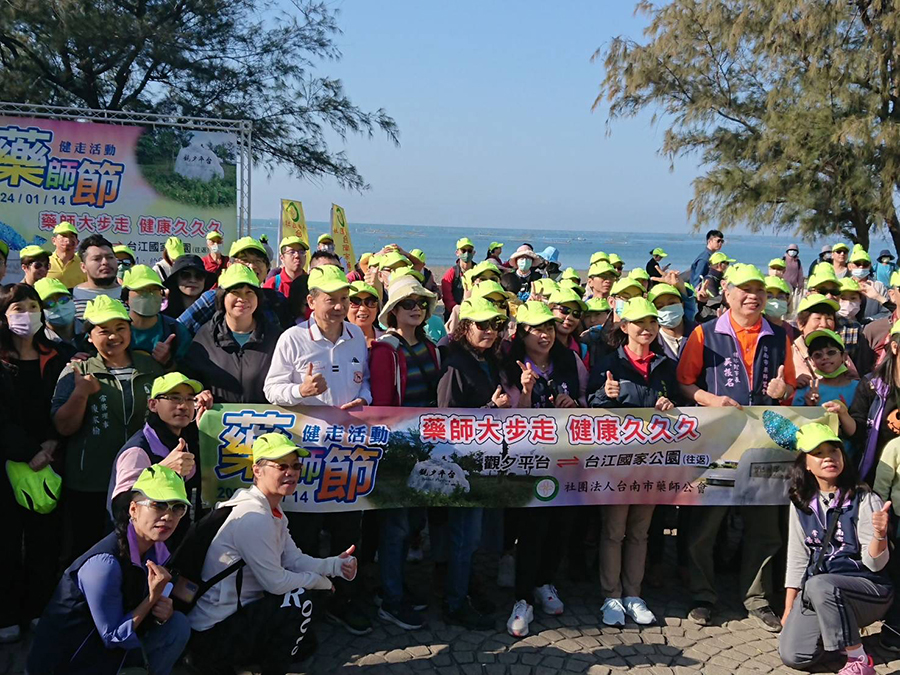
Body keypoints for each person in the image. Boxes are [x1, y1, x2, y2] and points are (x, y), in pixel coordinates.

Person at [676, 263, 796, 630]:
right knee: (705, 524)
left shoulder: (779, 336)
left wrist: (784, 391)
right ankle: (702, 595)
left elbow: (791, 388)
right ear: (727, 294)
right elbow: (684, 383)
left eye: (759, 290)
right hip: (718, 443)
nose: (753, 296)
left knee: (765, 527)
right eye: (745, 289)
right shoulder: (705, 333)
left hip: (764, 443)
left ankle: (757, 598)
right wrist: (710, 400)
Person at [186, 433, 356, 674]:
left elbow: (293, 559)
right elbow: (275, 582)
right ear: (257, 470)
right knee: (299, 599)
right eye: (281, 466)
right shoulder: (255, 517)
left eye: (295, 466)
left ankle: (254, 657)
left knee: (305, 638)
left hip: (232, 618)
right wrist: (320, 582)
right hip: (213, 633)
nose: (291, 472)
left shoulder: (269, 509)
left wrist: (334, 566)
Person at [263, 264, 372, 635]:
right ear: (311, 301)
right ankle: (305, 606)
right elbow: (271, 389)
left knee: (347, 533)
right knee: (304, 536)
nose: (340, 307)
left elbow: (365, 381)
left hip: (348, 454)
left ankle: (344, 601)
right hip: (306, 457)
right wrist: (301, 391)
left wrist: (364, 399)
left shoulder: (356, 335)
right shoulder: (292, 339)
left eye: (344, 299)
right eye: (331, 300)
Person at [28, 465, 192, 675]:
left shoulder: (158, 551)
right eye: (158, 505)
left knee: (176, 625)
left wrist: (160, 613)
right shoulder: (104, 564)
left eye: (177, 508)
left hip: (107, 653)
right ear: (133, 509)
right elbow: (113, 636)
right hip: (68, 664)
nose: (168, 516)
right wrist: (152, 599)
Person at [51, 295, 165, 561]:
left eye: (120, 328)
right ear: (90, 336)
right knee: (88, 548)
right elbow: (63, 426)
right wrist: (81, 393)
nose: (114, 336)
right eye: (104, 331)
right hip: (90, 480)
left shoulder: (151, 368)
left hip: (142, 479)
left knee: (138, 549)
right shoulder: (77, 371)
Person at [590, 297, 679, 628]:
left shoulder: (666, 365)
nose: (647, 328)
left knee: (640, 532)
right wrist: (606, 395)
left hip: (652, 461)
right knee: (614, 530)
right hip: (616, 462)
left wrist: (671, 404)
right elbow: (590, 405)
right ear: (624, 326)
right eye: (639, 322)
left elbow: (680, 404)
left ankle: (633, 594)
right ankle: (610, 595)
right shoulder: (609, 362)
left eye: (652, 322)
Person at [500, 301, 587, 638]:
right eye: (536, 329)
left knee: (561, 524)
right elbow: (508, 419)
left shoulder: (570, 361)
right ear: (522, 334)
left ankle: (544, 582)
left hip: (566, 458)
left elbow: (586, 401)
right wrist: (525, 391)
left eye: (549, 327)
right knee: (531, 528)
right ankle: (522, 598)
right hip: (528, 461)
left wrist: (574, 405)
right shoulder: (510, 367)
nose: (545, 334)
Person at [779, 423, 892, 675]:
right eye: (818, 453)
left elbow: (875, 564)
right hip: (819, 591)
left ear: (843, 457)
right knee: (794, 655)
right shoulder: (800, 502)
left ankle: (858, 660)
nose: (828, 457)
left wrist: (880, 535)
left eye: (834, 451)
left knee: (820, 584)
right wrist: (788, 608)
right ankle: (839, 634)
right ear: (806, 464)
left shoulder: (864, 498)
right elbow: (797, 557)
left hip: (867, 589)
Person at [0, 283, 72, 643]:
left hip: (49, 460)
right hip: (8, 461)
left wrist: (51, 443)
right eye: (17, 308)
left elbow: (64, 404)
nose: (26, 315)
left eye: (32, 307)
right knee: (6, 540)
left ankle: (38, 607)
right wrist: (30, 450)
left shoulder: (58, 355)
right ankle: (6, 613)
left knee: (45, 539)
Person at [367, 276, 440, 630]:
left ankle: (394, 585)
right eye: (407, 303)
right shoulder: (385, 351)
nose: (416, 309)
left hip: (428, 445)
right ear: (393, 311)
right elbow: (383, 405)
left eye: (421, 303)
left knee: (412, 522)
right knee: (396, 525)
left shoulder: (431, 347)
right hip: (398, 447)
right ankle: (391, 598)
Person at [436, 297, 508, 630]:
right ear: (465, 327)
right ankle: (454, 602)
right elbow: (446, 420)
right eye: (482, 325)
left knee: (474, 537)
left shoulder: (488, 359)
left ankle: (466, 590)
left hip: (483, 461)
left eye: (495, 324)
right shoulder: (455, 365)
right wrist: (491, 409)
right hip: (460, 464)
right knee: (463, 537)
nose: (490, 331)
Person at [107, 372, 205, 525]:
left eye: (190, 399)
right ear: (153, 404)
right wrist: (163, 471)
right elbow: (120, 508)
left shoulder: (183, 440)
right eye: (174, 398)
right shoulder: (137, 451)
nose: (184, 406)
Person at [182, 263, 281, 404]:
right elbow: (190, 382)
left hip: (265, 418)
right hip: (219, 418)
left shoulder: (276, 338)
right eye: (235, 292)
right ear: (222, 297)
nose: (242, 299)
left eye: (249, 292)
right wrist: (199, 394)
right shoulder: (205, 337)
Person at [177, 236, 292, 336]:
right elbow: (177, 330)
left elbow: (291, 337)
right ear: (229, 265)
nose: (251, 266)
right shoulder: (212, 298)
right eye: (244, 260)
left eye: (258, 261)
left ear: (267, 268)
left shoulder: (276, 299)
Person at [121, 265, 193, 366]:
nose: (149, 295)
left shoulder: (176, 331)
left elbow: (190, 370)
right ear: (126, 297)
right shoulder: (115, 330)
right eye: (142, 290)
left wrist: (168, 362)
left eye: (154, 290)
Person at [72, 234, 122, 329]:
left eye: (110, 257)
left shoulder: (129, 297)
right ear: (83, 267)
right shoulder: (70, 298)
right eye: (97, 259)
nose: (105, 262)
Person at [648, 283, 694, 360]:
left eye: (672, 303)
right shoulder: (651, 343)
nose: (667, 309)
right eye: (660, 306)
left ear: (682, 304)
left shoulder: (700, 334)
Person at [162, 254, 212, 319]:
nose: (193, 280)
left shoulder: (214, 312)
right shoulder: (162, 314)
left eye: (199, 276)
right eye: (186, 275)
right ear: (176, 279)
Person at [548, 288, 589, 365]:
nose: (570, 317)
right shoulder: (539, 345)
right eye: (565, 310)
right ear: (550, 310)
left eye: (576, 313)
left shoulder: (582, 350)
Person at [35, 277, 78, 346]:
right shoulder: (39, 342)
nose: (59, 306)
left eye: (64, 299)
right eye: (49, 303)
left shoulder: (90, 330)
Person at [441, 238, 477, 320]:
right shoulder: (451, 273)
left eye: (469, 250)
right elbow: (447, 296)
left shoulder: (478, 271)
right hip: (454, 314)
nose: (466, 253)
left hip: (474, 313)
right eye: (463, 250)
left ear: (474, 253)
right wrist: (456, 309)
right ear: (457, 253)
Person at [695, 251, 734, 323]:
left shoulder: (716, 279)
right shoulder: (710, 280)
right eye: (727, 263)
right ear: (720, 265)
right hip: (709, 316)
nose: (728, 266)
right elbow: (714, 300)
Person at [47, 221, 86, 289]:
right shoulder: (45, 262)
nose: (68, 240)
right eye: (64, 236)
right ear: (53, 240)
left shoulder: (83, 265)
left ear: (77, 242)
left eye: (71, 237)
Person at [347, 280, 383, 347]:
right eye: (355, 302)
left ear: (377, 308)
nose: (363, 308)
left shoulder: (387, 340)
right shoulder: (335, 341)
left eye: (370, 302)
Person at [763, 275, 796, 342]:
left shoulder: (793, 332)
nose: (775, 301)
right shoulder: (755, 329)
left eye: (780, 297)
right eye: (769, 297)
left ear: (787, 300)